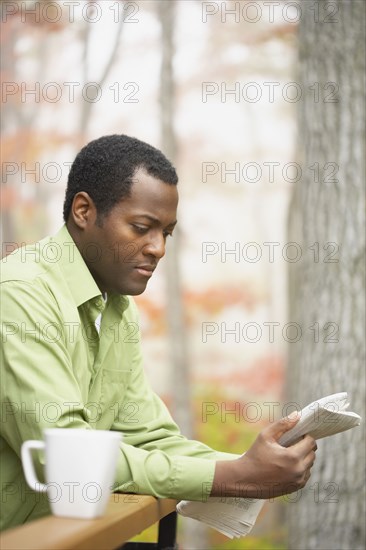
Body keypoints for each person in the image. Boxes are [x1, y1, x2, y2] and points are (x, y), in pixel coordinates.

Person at [0, 134, 317, 531]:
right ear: (83, 211)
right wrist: (236, 477)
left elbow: (149, 437)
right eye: (141, 227)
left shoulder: (117, 309)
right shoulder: (19, 295)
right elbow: (65, 455)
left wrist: (250, 466)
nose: (158, 249)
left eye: (165, 233)